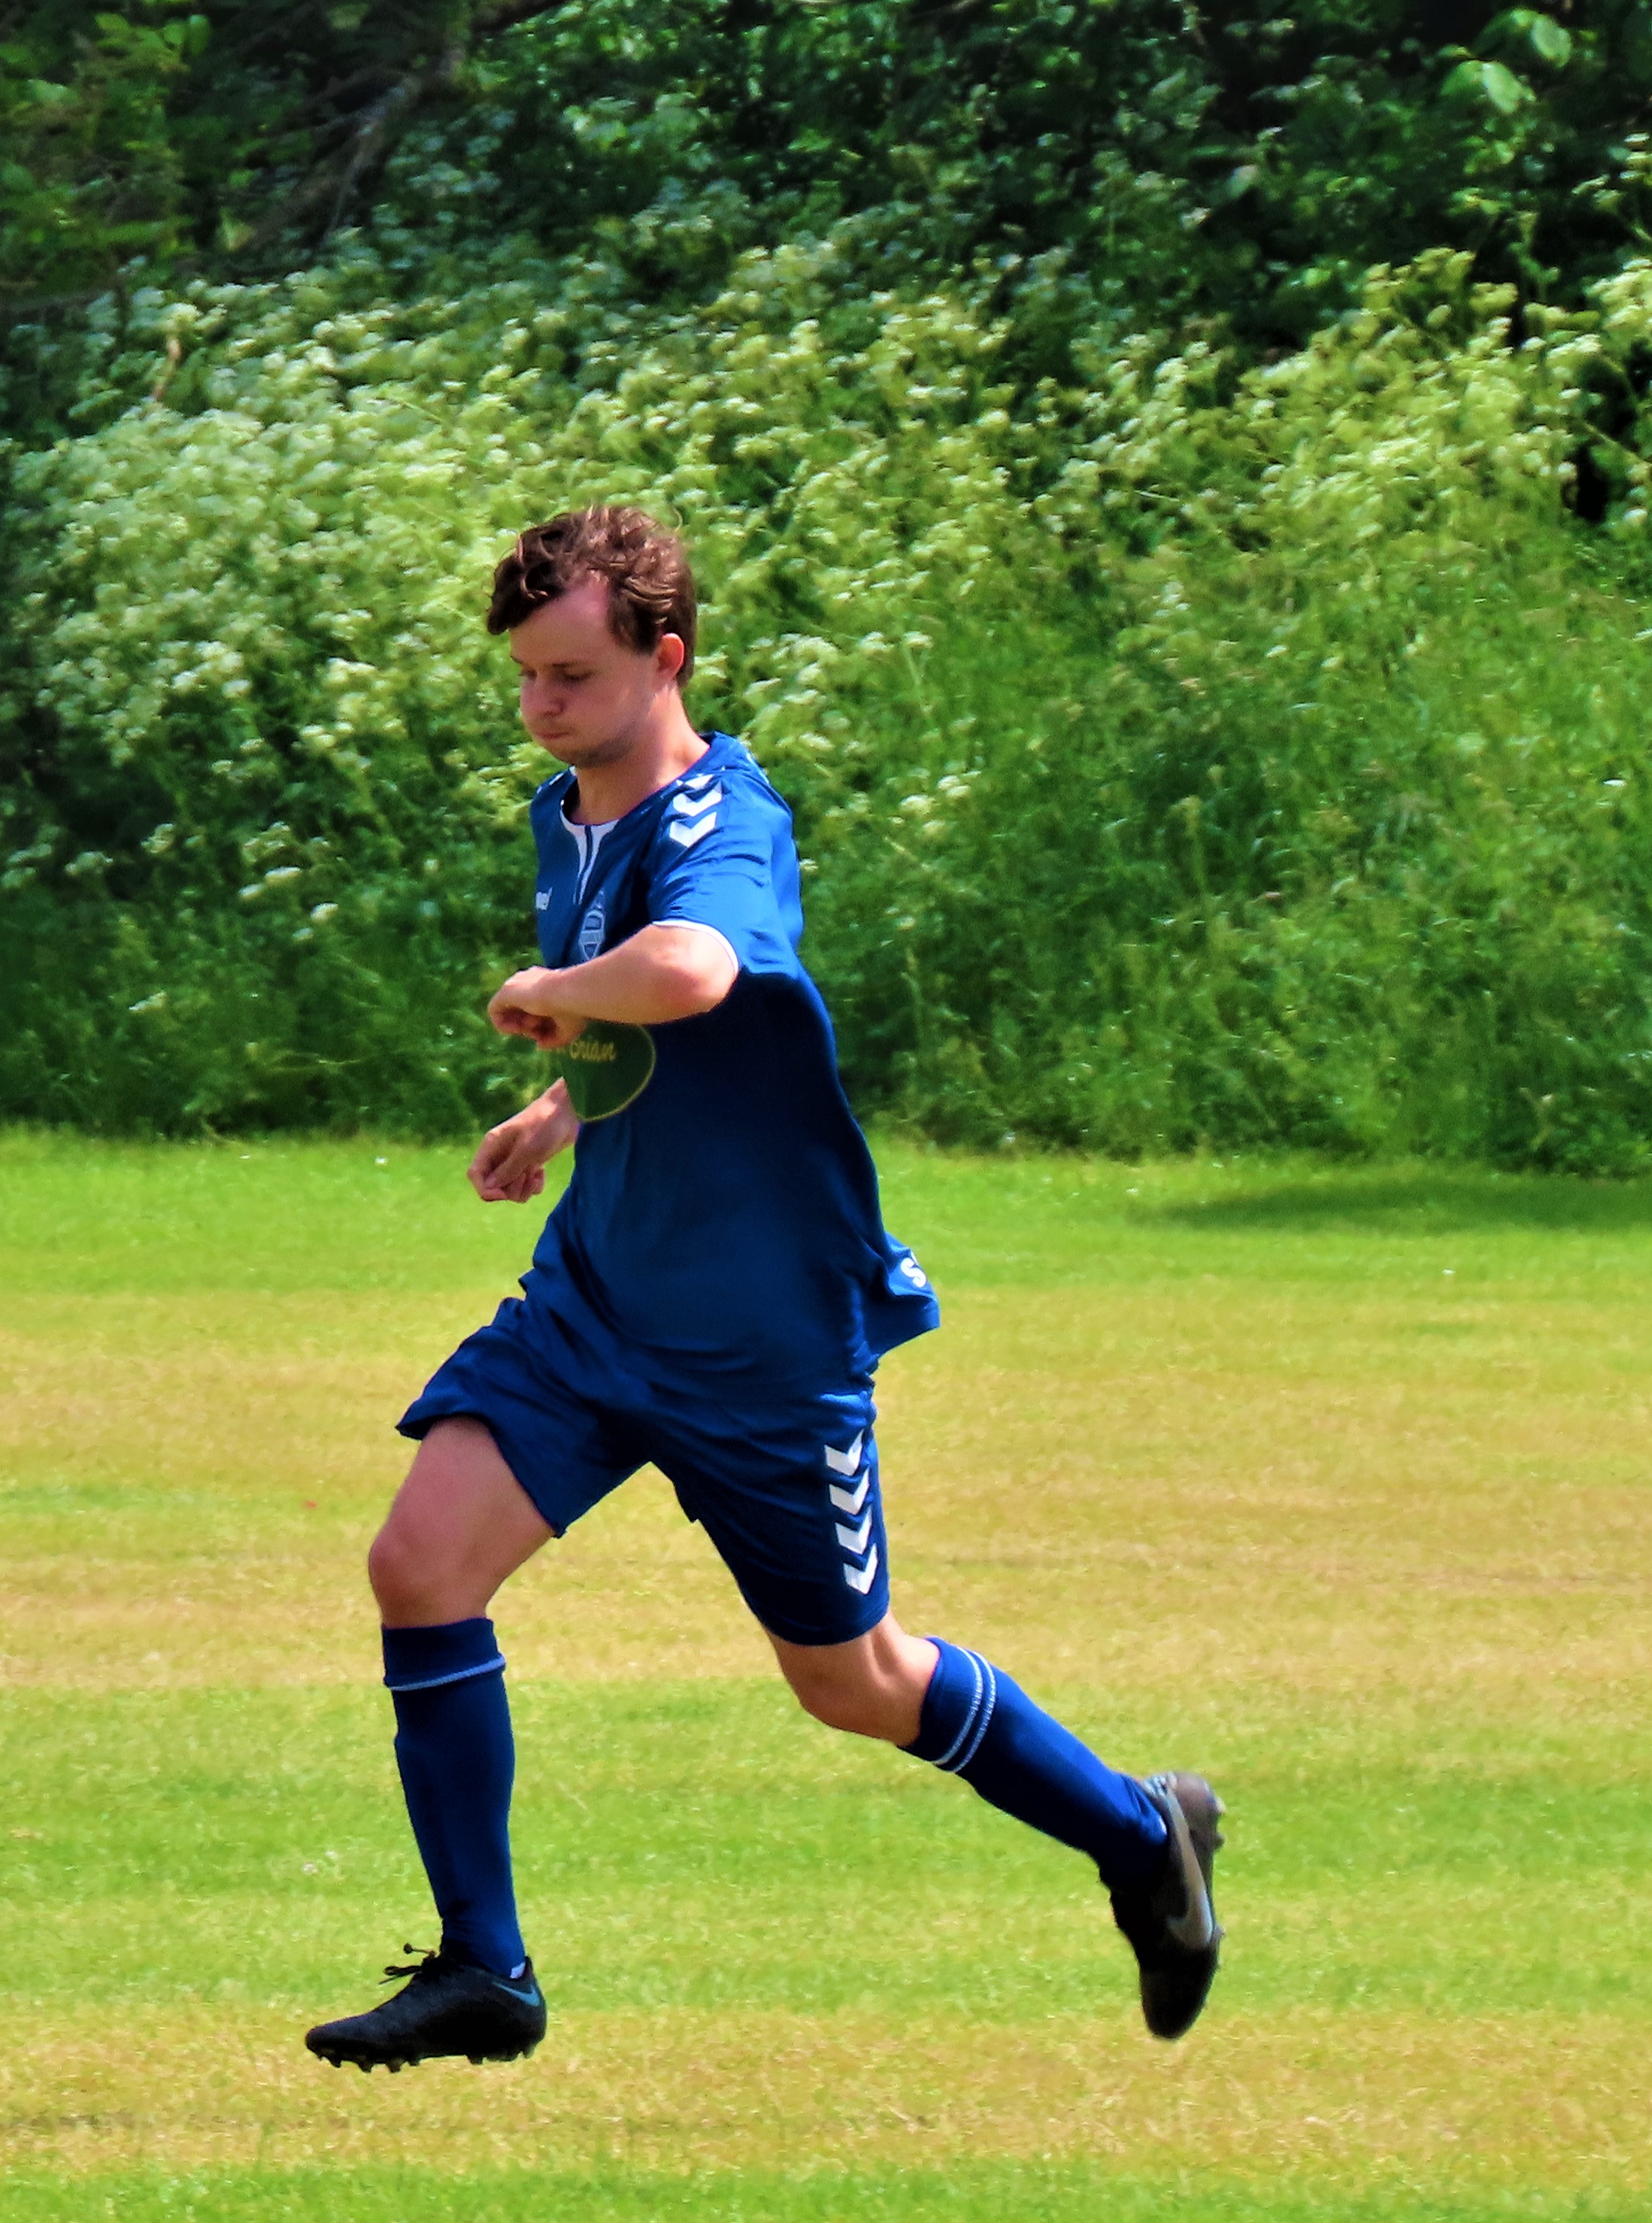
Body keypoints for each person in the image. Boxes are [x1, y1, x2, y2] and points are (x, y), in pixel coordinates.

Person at [305, 506, 1224, 2073]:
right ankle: (487, 1971)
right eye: (526, 676)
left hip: (761, 1346)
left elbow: (692, 973)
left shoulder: (726, 820)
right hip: (598, 1304)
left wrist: (546, 992)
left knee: (852, 1682)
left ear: (666, 658)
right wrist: (559, 1110)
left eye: (574, 676)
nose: (542, 705)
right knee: (419, 1565)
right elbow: (651, 1038)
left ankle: (1144, 1837)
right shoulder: (567, 817)